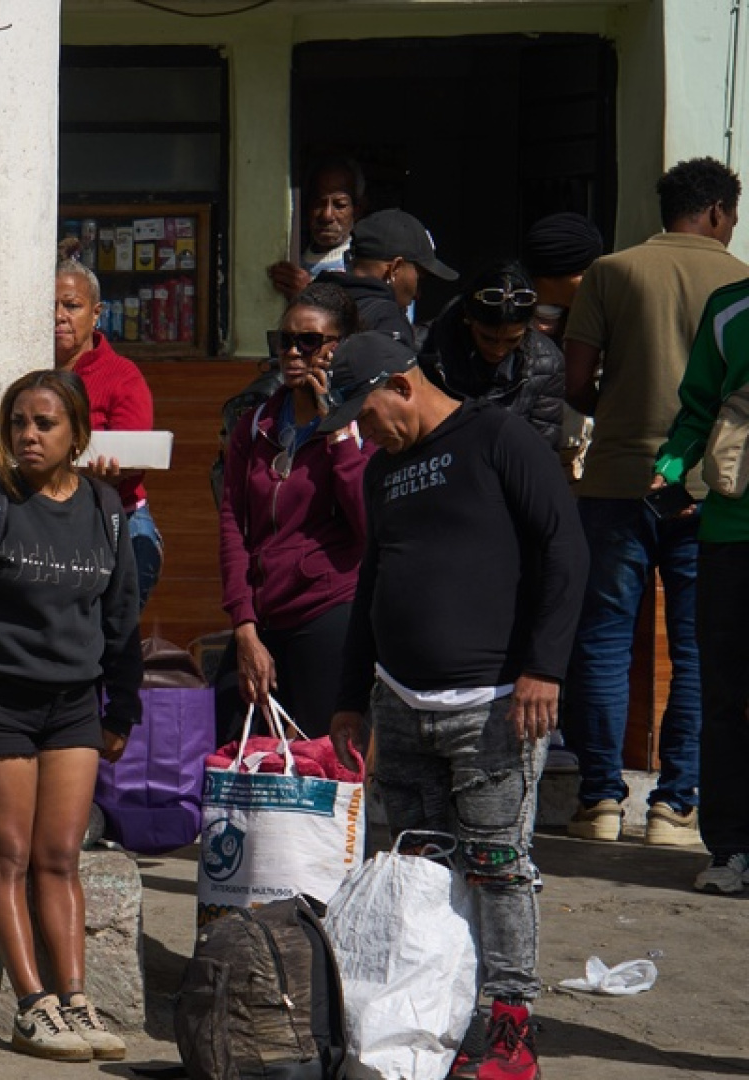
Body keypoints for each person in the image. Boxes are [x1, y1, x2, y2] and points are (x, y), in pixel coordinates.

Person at [323, 333, 587, 1080]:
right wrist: (351, 699)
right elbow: (369, 586)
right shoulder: (384, 473)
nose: (361, 431)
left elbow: (565, 548)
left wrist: (544, 667)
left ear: (401, 385)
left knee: (498, 865)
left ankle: (510, 1027)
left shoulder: (499, 436)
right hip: (400, 700)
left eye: (365, 412)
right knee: (415, 864)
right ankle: (429, 1015)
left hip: (497, 703)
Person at [0, 369, 143, 1064]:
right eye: (18, 423)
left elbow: (123, 616)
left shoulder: (104, 509)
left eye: (44, 423)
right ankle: (31, 1004)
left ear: (76, 432)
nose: (28, 436)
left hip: (73, 705)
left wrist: (121, 705)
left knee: (59, 857)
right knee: (9, 856)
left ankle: (75, 998)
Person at [561, 156, 749, 848]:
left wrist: (616, 410)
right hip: (709, 490)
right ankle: (674, 807)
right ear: (719, 214)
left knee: (606, 639)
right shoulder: (740, 283)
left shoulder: (611, 271)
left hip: (617, 480)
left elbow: (575, 380)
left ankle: (601, 802)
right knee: (699, 650)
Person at [215, 283, 374, 741]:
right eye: (283, 339)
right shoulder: (258, 420)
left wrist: (338, 431)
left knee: (322, 758)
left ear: (339, 348)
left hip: (327, 610)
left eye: (309, 341)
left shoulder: (366, 422)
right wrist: (243, 626)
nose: (292, 351)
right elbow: (232, 524)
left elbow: (367, 523)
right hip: (261, 614)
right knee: (234, 746)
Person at [653, 274, 749, 893]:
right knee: (725, 693)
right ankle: (732, 849)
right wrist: (669, 466)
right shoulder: (729, 309)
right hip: (732, 533)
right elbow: (696, 407)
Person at [55, 258, 164, 608]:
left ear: (97, 312)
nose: (59, 316)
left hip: (120, 518)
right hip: (48, 521)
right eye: (49, 306)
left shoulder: (122, 375)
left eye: (71, 306)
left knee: (113, 641)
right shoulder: (29, 371)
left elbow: (134, 457)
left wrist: (84, 473)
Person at [419, 260, 568, 454]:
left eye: (512, 340)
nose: (499, 350)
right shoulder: (421, 350)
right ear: (468, 318)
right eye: (487, 338)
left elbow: (540, 450)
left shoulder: (548, 363)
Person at [522, 212, 605, 482]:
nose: (594, 282)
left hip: (577, 472)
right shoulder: (504, 322)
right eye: (585, 273)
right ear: (554, 273)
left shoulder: (591, 321)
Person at [316, 208, 459, 343]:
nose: (418, 295)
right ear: (395, 268)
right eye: (419, 280)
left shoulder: (310, 301)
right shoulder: (388, 321)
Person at [268, 158, 363, 301]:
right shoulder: (292, 256)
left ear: (357, 210)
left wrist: (309, 294)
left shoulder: (362, 266)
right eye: (319, 203)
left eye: (339, 205)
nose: (327, 215)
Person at [522, 211, 604, 346]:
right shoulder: (507, 319)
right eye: (583, 273)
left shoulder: (590, 324)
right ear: (551, 276)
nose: (593, 282)